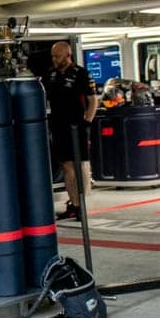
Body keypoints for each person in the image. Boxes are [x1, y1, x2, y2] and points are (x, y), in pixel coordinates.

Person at [44, 42, 98, 221]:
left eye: (57, 56)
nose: (54, 60)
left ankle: (81, 203)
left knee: (79, 165)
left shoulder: (81, 74)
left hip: (77, 126)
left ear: (67, 55)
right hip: (59, 125)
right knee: (66, 166)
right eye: (52, 56)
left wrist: (87, 122)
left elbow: (92, 100)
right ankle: (73, 203)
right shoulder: (51, 75)